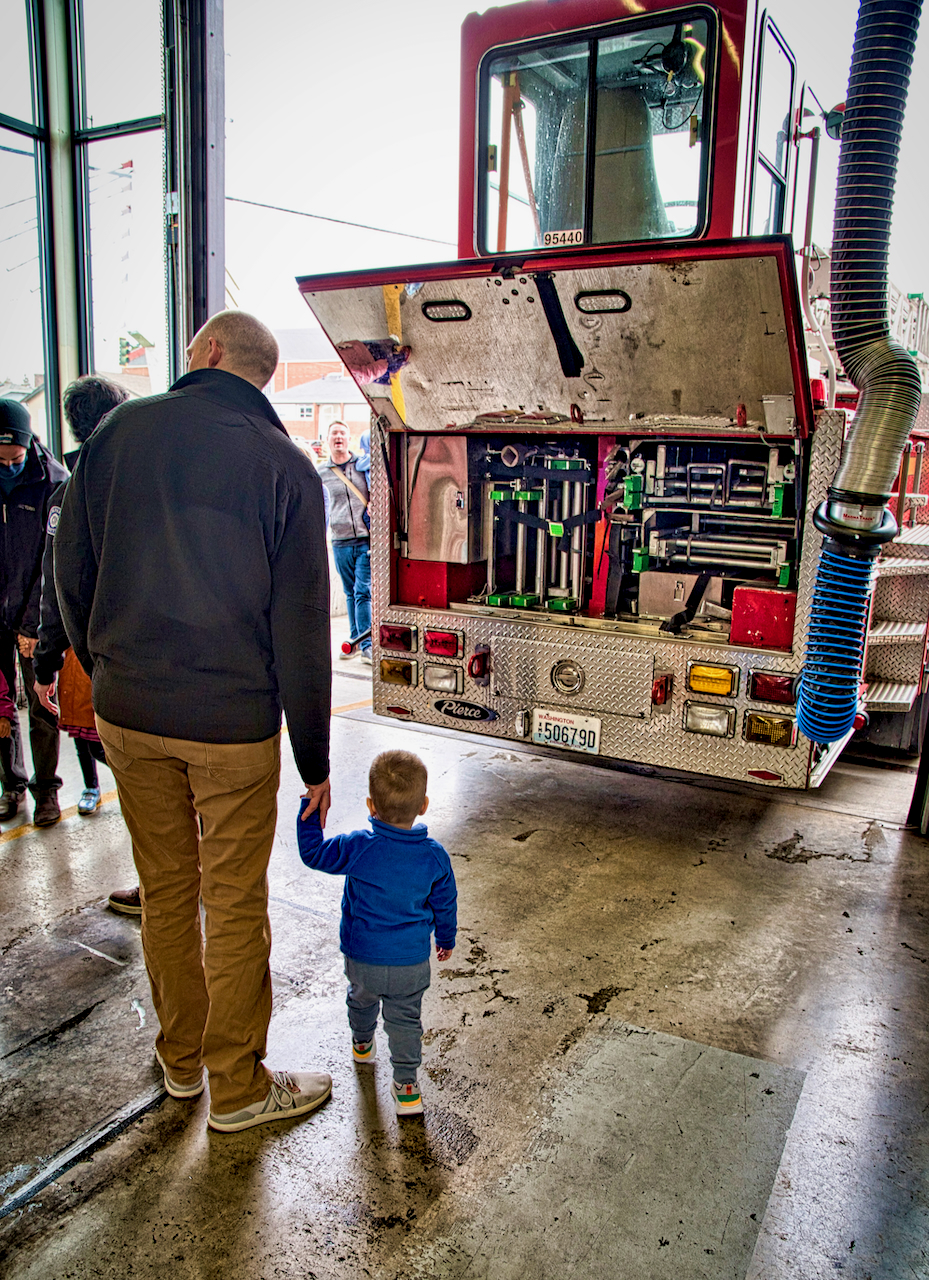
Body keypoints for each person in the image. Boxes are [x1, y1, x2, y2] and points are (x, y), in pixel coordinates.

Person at [53, 310, 333, 1133]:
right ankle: (238, 1089)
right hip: (232, 726)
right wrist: (314, 758)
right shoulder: (285, 465)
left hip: (130, 713)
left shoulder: (115, 434)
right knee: (235, 901)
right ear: (257, 375)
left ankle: (180, 1065)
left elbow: (70, 570)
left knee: (168, 892)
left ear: (208, 354)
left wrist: (103, 666)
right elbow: (302, 626)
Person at [297, 749, 457, 1117]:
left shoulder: (357, 848)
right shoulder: (434, 856)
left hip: (362, 957)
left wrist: (309, 810)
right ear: (424, 805)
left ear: (371, 804)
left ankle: (362, 1044)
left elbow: (313, 854)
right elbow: (446, 903)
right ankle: (407, 1088)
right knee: (405, 1020)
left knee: (361, 999)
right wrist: (445, 939)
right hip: (410, 962)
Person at [0, 399, 69, 827]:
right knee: (1, 708)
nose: (7, 465)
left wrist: (32, 625)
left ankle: (47, 791)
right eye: (0, 458)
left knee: (43, 704)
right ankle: (12, 785)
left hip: (32, 615)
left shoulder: (52, 483)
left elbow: (52, 562)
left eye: (15, 458)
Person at [319, 421, 372, 662]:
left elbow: (376, 488)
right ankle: (355, 641)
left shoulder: (362, 466)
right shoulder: (321, 473)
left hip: (363, 539)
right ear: (327, 440)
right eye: (334, 434)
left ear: (348, 438)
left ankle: (367, 644)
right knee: (350, 593)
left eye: (342, 433)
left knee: (363, 592)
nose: (338, 437)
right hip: (339, 541)